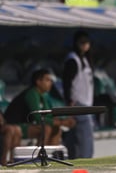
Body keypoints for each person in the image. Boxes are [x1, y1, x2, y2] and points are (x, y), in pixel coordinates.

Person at [3, 69, 75, 149]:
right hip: (15, 124)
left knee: (56, 129)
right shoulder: (31, 94)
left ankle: (52, 157)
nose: (50, 83)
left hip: (28, 125)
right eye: (47, 80)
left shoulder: (43, 95)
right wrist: (62, 122)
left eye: (51, 80)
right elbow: (38, 118)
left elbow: (48, 115)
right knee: (46, 128)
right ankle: (38, 157)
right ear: (38, 82)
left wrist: (62, 121)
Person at [62, 30, 95, 159]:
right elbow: (67, 82)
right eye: (82, 43)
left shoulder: (85, 59)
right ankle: (85, 161)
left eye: (87, 43)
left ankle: (73, 159)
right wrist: (69, 99)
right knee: (85, 140)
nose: (85, 45)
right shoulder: (72, 60)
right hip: (78, 103)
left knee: (74, 137)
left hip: (87, 103)